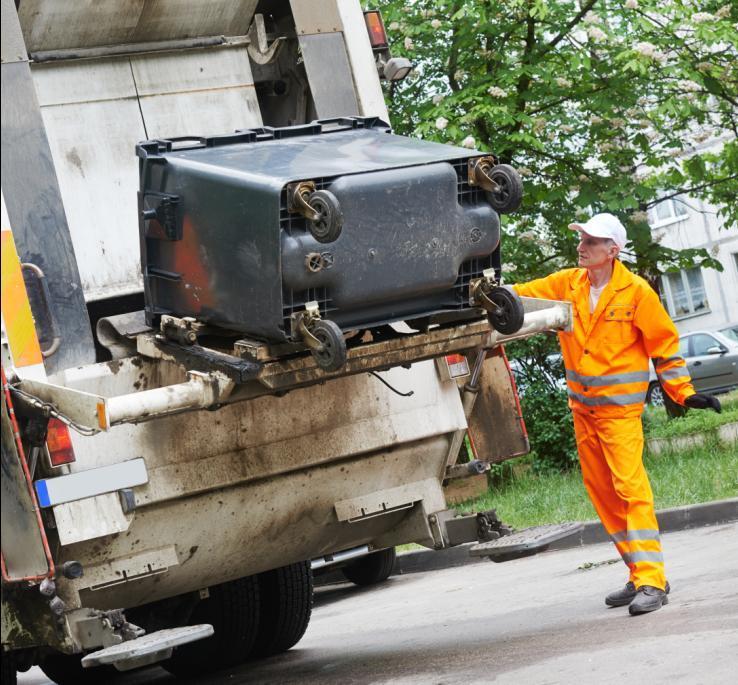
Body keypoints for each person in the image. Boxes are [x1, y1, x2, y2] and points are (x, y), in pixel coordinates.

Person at [512, 212, 721, 615]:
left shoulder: (637, 292)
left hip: (619, 416)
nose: (581, 247)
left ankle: (652, 581)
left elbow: (663, 346)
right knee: (604, 495)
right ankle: (639, 571)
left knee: (631, 491)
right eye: (581, 239)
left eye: (591, 241)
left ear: (613, 250)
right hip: (584, 413)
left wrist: (684, 392)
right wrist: (483, 292)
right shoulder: (567, 285)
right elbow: (518, 295)